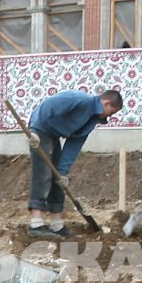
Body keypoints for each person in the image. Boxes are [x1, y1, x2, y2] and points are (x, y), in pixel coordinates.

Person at [27, 89, 123, 238]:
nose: (110, 117)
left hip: (53, 135)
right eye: (111, 112)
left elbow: (74, 145)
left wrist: (62, 171)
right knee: (43, 173)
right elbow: (48, 106)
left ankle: (57, 225)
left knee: (57, 178)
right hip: (40, 130)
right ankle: (36, 224)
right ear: (106, 103)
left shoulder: (91, 120)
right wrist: (34, 129)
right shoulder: (79, 100)